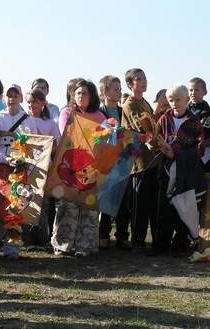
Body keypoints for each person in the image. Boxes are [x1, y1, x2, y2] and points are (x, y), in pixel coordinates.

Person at [51, 79, 106, 257]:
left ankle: (86, 246)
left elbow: (104, 141)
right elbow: (67, 136)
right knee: (67, 206)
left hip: (91, 169)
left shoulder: (99, 116)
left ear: (92, 96)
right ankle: (62, 244)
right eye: (78, 93)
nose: (81, 96)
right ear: (73, 96)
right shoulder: (67, 113)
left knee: (89, 208)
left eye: (85, 93)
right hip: (69, 167)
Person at [0, 84, 37, 259]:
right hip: (0, 168)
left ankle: (11, 248)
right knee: (0, 206)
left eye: (16, 95)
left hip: (20, 170)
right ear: (5, 98)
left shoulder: (28, 120)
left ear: (21, 98)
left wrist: (23, 162)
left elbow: (34, 144)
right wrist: (5, 158)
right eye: (9, 95)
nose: (12, 98)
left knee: (16, 207)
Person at [153, 84, 205, 257]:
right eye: (171, 100)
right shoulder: (163, 119)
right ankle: (161, 245)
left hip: (186, 171)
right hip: (166, 170)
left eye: (178, 100)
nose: (174, 103)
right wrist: (156, 146)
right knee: (163, 207)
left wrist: (176, 152)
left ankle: (180, 244)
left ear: (186, 100)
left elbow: (199, 149)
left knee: (183, 205)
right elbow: (155, 140)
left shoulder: (195, 122)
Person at [121, 68, 159, 250]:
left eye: (144, 78)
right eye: (138, 79)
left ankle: (145, 237)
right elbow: (143, 127)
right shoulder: (130, 104)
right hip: (139, 161)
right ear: (130, 84)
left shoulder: (145, 102)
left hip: (151, 158)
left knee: (150, 200)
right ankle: (137, 238)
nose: (143, 82)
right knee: (139, 202)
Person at [22, 88, 61, 250]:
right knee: (26, 201)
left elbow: (56, 144)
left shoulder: (50, 123)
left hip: (44, 168)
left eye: (35, 102)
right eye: (29, 102)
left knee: (43, 204)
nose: (31, 105)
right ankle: (28, 239)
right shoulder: (22, 120)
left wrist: (44, 149)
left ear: (43, 103)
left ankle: (42, 239)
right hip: (25, 168)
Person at [97, 75, 131, 249]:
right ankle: (102, 234)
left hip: (122, 161)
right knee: (104, 198)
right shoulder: (98, 112)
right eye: (116, 89)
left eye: (120, 89)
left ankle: (122, 236)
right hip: (104, 163)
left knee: (122, 198)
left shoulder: (123, 112)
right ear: (105, 92)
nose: (120, 92)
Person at [187, 77, 210, 172]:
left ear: (205, 92)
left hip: (204, 159)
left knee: (203, 185)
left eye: (197, 90)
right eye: (190, 90)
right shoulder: (183, 110)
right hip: (185, 156)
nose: (193, 93)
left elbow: (205, 133)